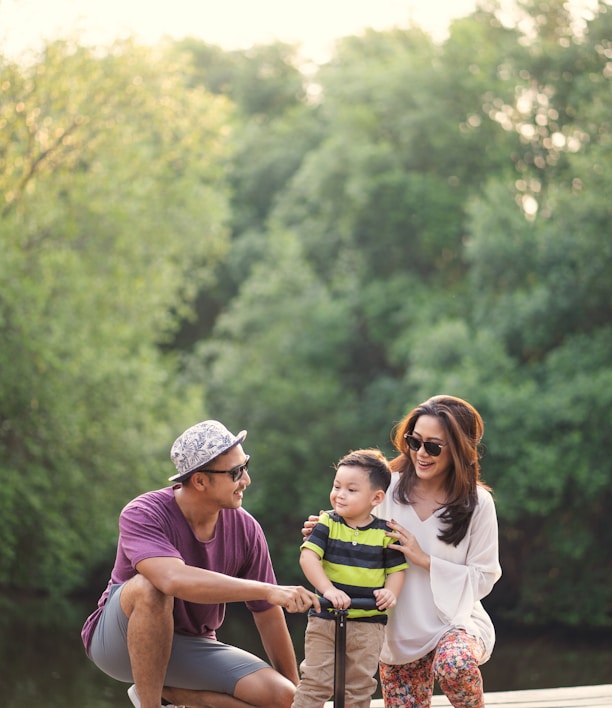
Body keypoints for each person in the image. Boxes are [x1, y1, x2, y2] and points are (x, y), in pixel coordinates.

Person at [81, 419, 320, 708]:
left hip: (192, 644)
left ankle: (173, 694)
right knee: (150, 587)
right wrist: (266, 589)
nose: (246, 480)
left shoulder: (246, 529)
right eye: (236, 472)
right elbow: (172, 580)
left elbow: (267, 614)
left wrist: (295, 698)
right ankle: (150, 704)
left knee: (283, 698)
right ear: (200, 481)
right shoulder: (144, 513)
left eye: (245, 467)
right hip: (119, 643)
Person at [303, 395, 502, 708]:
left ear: (460, 450)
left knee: (456, 665)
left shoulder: (478, 503)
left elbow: (485, 577)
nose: (421, 453)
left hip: (455, 622)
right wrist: (326, 533)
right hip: (395, 632)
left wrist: (425, 560)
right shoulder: (385, 489)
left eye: (433, 446)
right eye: (414, 441)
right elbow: (347, 524)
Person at [293, 448, 407, 708]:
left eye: (351, 490)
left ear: (376, 497)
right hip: (326, 620)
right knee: (315, 681)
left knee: (359, 687)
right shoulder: (327, 523)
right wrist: (328, 589)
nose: (340, 494)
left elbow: (397, 571)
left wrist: (391, 592)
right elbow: (308, 557)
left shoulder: (385, 533)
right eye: (337, 486)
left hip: (368, 625)